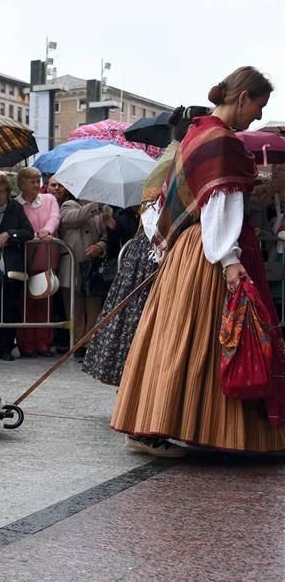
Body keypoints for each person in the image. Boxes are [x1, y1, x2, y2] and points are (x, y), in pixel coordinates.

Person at [112, 66, 285, 456]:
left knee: (176, 338)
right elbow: (219, 205)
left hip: (188, 251)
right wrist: (228, 259)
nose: (257, 116)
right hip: (212, 251)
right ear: (243, 98)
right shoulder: (221, 142)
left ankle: (152, 425)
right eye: (258, 106)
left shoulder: (196, 133)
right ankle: (207, 428)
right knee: (211, 339)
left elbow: (168, 201)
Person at [83, 106, 209, 385]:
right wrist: (167, 248)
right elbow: (154, 217)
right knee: (144, 323)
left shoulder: (178, 156)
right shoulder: (171, 161)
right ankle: (138, 389)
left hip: (159, 249)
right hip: (155, 251)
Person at [48, 177, 108, 359]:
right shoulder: (68, 205)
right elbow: (72, 219)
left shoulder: (103, 209)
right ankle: (78, 342)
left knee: (93, 305)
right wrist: (94, 205)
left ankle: (91, 342)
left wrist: (101, 246)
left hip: (93, 265)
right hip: (72, 264)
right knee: (75, 306)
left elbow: (106, 234)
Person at [0, 172, 34, 361]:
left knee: (10, 306)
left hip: (11, 264)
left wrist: (9, 234)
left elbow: (28, 232)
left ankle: (7, 347)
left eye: (2, 192)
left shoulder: (15, 208)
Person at [15, 166, 60, 357]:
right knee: (24, 303)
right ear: (22, 184)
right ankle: (26, 343)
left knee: (45, 299)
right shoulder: (16, 204)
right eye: (31, 181)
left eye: (37, 180)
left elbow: (55, 216)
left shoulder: (49, 199)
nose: (36, 185)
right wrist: (34, 235)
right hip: (25, 257)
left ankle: (43, 341)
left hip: (47, 255)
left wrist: (47, 230)